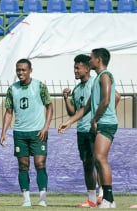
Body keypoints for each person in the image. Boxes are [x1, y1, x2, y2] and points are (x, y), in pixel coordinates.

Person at [58, 48, 118, 208]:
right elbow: (85, 108)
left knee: (100, 159)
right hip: (99, 123)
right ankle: (104, 200)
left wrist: (95, 119)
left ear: (98, 60)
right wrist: (69, 121)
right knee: (94, 160)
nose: (89, 60)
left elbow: (106, 100)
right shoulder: (98, 78)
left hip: (105, 123)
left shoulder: (105, 75)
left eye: (91, 58)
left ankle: (108, 198)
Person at [0, 58, 53, 207]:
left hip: (38, 132)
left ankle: (42, 199)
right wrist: (4, 132)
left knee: (40, 163)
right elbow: (9, 112)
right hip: (20, 133)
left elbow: (49, 107)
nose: (20, 73)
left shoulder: (39, 86)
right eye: (18, 70)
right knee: (23, 165)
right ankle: (26, 199)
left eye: (23, 70)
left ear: (30, 70)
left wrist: (46, 127)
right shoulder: (12, 89)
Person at [62, 54, 100, 208]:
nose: (75, 71)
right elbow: (74, 112)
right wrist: (66, 98)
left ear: (87, 67)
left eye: (78, 68)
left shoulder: (95, 83)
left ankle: (103, 195)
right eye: (74, 68)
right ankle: (91, 199)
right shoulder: (77, 89)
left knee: (99, 162)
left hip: (95, 129)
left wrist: (97, 121)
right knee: (87, 164)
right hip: (81, 131)